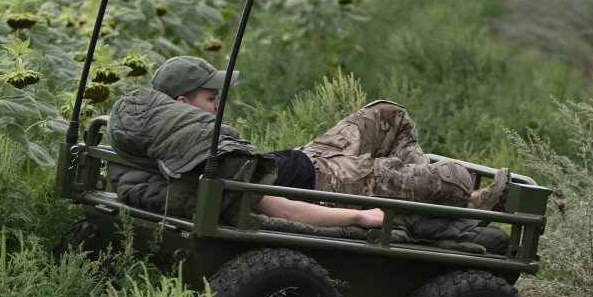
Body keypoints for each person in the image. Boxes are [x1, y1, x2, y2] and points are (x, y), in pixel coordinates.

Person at [107, 56, 508, 229]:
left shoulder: (178, 144)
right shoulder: (204, 163)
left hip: (307, 157)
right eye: (211, 99)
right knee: (455, 177)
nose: (218, 106)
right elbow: (274, 206)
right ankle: (460, 205)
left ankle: (427, 196)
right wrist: (355, 216)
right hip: (330, 183)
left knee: (390, 114)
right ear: (182, 103)